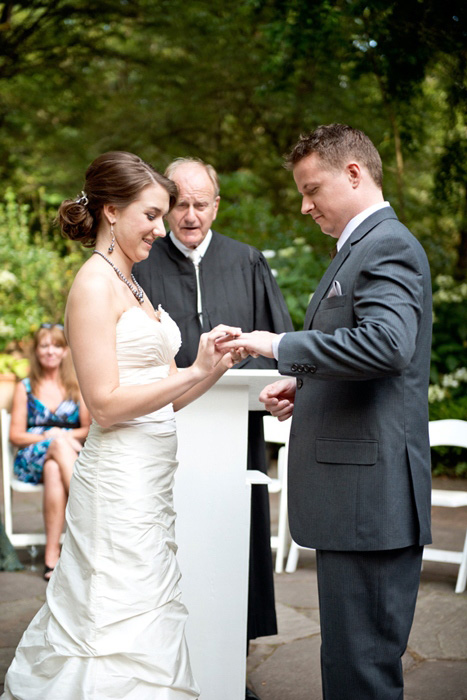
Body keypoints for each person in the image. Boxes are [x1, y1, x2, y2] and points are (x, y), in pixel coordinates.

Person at [2, 151, 242, 700]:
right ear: (112, 211)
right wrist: (195, 370)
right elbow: (106, 406)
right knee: (112, 622)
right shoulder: (93, 283)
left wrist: (208, 369)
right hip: (117, 485)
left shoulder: (131, 282)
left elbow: (161, 402)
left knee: (147, 617)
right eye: (152, 215)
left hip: (150, 484)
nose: (161, 229)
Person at [218, 124, 433, 700]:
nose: (306, 205)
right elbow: (367, 356)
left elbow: (389, 344)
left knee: (361, 670)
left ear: (355, 174)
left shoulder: (386, 243)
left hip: (373, 500)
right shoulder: (360, 248)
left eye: (313, 189)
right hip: (357, 500)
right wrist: (304, 387)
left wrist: (277, 346)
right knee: (347, 661)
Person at [134, 158, 294, 695]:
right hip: (163, 430)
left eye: (201, 203)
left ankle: (229, 663)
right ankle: (163, 667)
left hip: (235, 436)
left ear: (217, 205)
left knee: (236, 544)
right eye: (180, 203)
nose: (190, 214)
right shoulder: (141, 263)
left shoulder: (247, 261)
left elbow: (281, 346)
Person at [9, 323, 90, 580]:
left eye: (56, 345)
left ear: (65, 351)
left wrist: (63, 436)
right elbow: (15, 436)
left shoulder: (77, 385)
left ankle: (51, 558)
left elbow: (87, 429)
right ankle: (89, 514)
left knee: (54, 468)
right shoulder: (26, 387)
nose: (50, 351)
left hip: (63, 455)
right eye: (44, 346)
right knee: (56, 447)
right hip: (32, 456)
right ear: (37, 351)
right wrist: (47, 436)